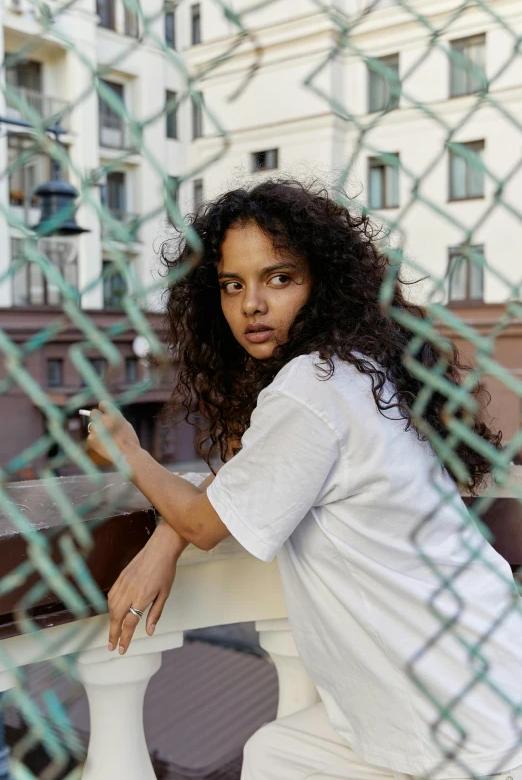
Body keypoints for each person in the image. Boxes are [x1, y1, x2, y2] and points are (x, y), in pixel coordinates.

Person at [87, 179, 522, 780]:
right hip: (472, 670)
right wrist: (166, 538)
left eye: (279, 278)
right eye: (232, 285)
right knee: (276, 755)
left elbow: (206, 523)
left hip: (454, 711)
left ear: (323, 282)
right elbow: (248, 477)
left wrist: (129, 453)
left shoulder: (312, 388)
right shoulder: (356, 370)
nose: (252, 305)